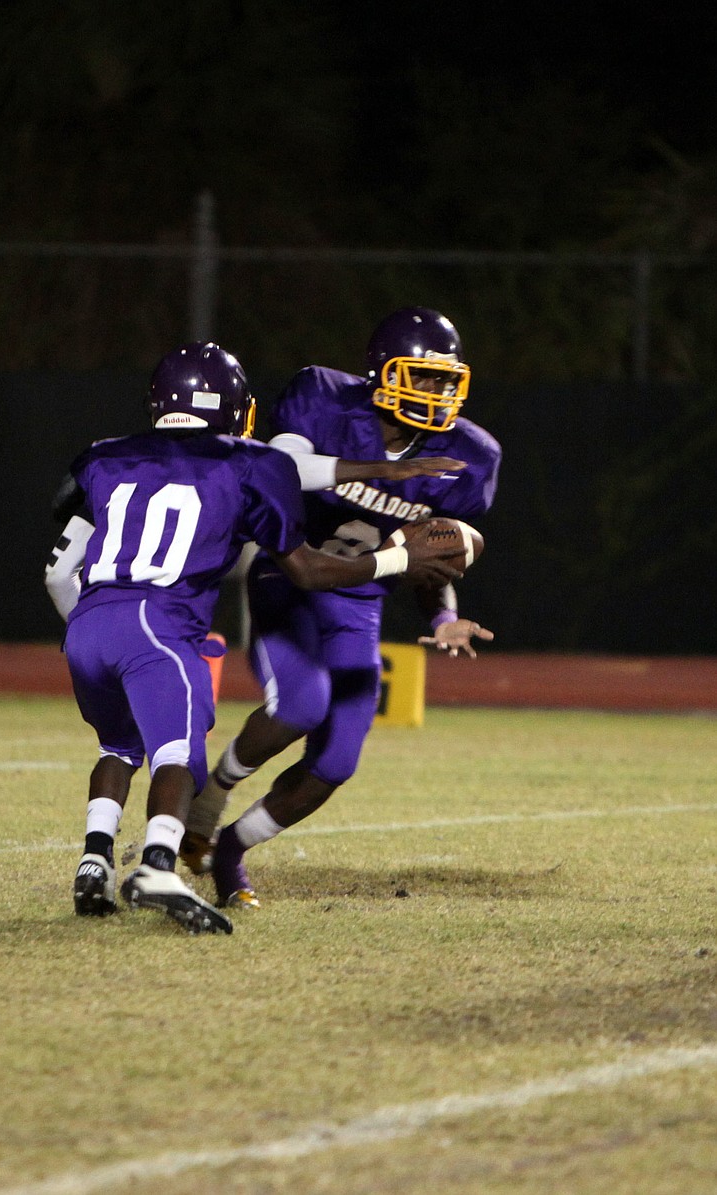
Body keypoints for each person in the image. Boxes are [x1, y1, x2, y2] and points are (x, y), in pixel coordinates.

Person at [44, 340, 465, 934]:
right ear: (235, 406)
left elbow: (60, 569)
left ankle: (94, 862)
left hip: (90, 622)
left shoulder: (102, 457)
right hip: (163, 622)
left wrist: (85, 630)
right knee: (179, 755)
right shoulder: (250, 463)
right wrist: (398, 561)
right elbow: (307, 569)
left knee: (119, 747)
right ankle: (159, 865)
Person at [180, 308, 502, 909]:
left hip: (359, 603)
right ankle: (212, 791)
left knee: (337, 762)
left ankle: (230, 851)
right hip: (292, 576)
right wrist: (380, 469)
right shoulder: (323, 396)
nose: (434, 393)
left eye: (444, 381)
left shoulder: (469, 456)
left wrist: (442, 617)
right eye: (421, 377)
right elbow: (278, 465)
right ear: (383, 371)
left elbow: (429, 558)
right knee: (301, 704)